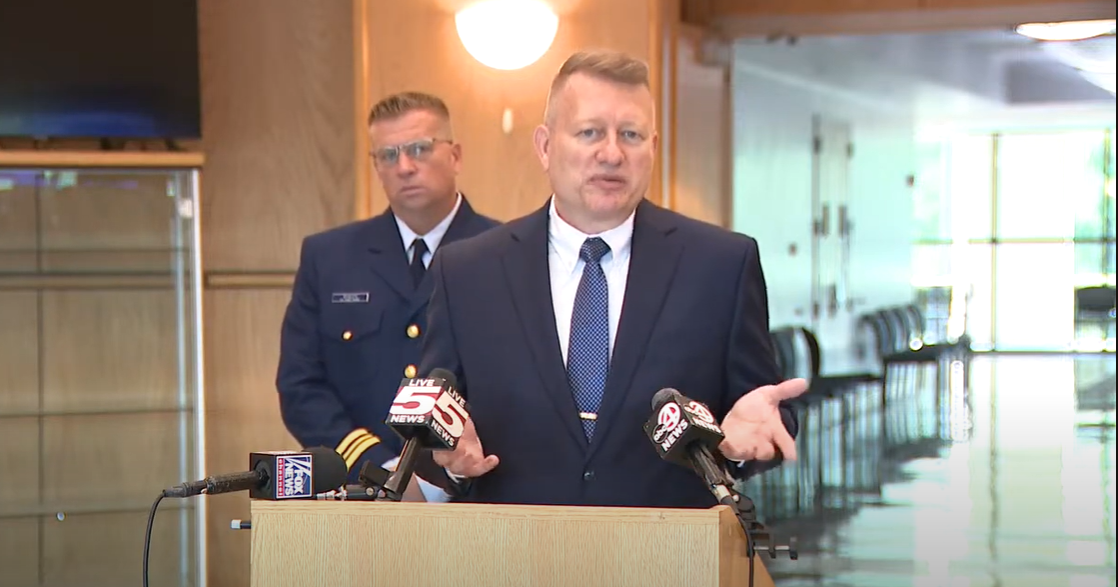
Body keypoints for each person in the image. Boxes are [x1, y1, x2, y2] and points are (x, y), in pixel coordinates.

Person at [411, 50, 808, 508]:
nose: (613, 153)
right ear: (545, 146)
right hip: (509, 557)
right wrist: (451, 463)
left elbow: (763, 411)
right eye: (590, 132)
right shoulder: (468, 271)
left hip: (669, 561)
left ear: (653, 148)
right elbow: (429, 427)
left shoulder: (721, 264)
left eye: (631, 135)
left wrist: (741, 450)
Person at [276, 91, 499, 501]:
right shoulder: (329, 257)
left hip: (476, 493)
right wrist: (382, 467)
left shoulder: (507, 254)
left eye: (419, 148)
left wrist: (444, 472)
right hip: (362, 491)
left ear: (456, 155)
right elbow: (300, 385)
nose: (405, 167)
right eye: (388, 155)